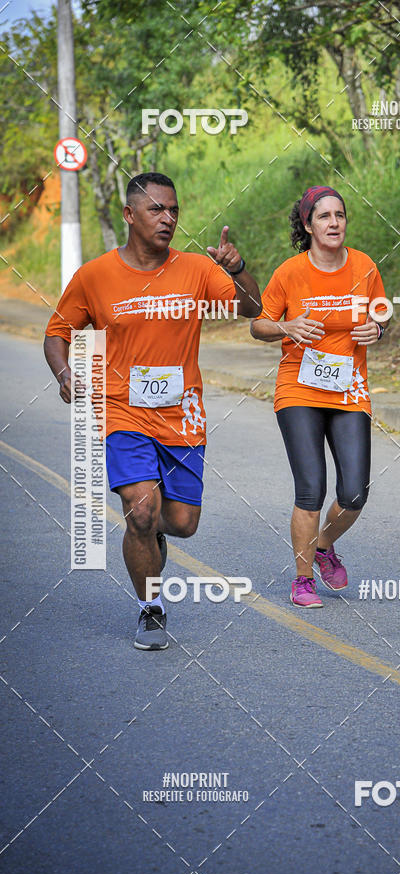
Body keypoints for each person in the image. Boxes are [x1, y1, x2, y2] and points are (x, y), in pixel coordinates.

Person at [44, 172, 261, 649]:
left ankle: (150, 532)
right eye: (156, 209)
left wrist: (238, 267)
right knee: (141, 511)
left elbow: (250, 307)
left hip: (182, 414)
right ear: (129, 214)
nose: (168, 219)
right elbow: (56, 333)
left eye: (173, 211)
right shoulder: (95, 276)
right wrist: (64, 373)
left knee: (182, 523)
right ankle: (151, 607)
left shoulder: (196, 269)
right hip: (122, 411)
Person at [251, 185, 385, 608]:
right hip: (299, 388)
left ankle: (323, 545)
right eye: (324, 216)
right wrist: (286, 327)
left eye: (339, 215)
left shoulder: (364, 266)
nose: (334, 223)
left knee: (354, 494)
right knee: (311, 488)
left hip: (348, 390)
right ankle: (303, 579)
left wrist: (377, 329)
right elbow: (258, 325)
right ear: (308, 225)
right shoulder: (290, 272)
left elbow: (381, 315)